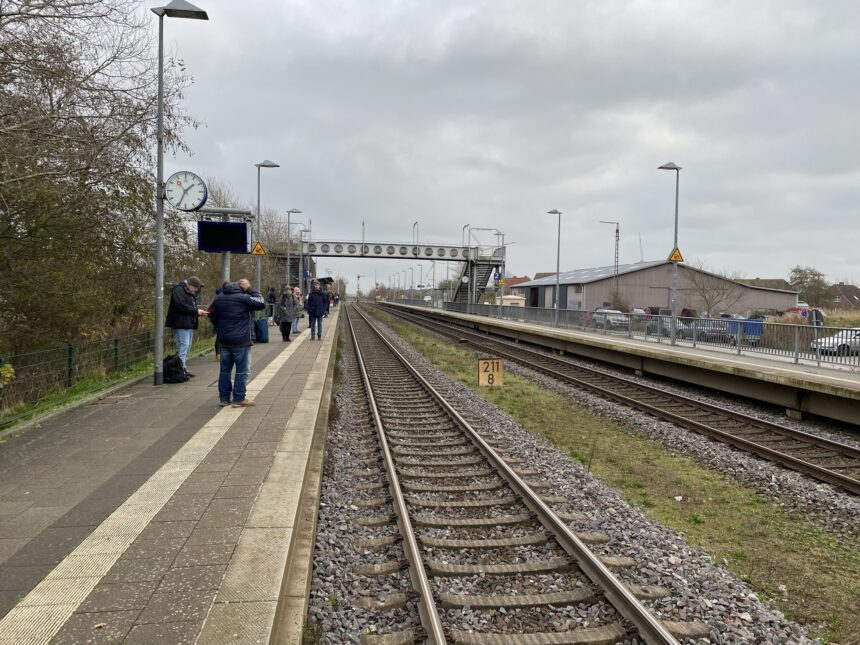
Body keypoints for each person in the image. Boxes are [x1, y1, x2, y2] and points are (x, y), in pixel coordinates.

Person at [208, 278, 266, 407]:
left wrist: (221, 329)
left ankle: (224, 398)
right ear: (241, 288)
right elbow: (261, 303)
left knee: (224, 371)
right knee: (242, 371)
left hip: (223, 340)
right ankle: (239, 398)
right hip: (241, 340)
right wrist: (250, 289)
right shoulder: (244, 298)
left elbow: (212, 315)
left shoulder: (218, 299)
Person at [165, 276, 208, 378]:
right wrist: (196, 311)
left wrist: (197, 312)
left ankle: (183, 368)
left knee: (187, 347)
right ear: (190, 285)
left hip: (188, 323)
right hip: (181, 323)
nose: (196, 290)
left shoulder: (187, 291)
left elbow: (189, 306)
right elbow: (181, 305)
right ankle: (180, 370)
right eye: (195, 287)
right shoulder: (178, 290)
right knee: (183, 346)